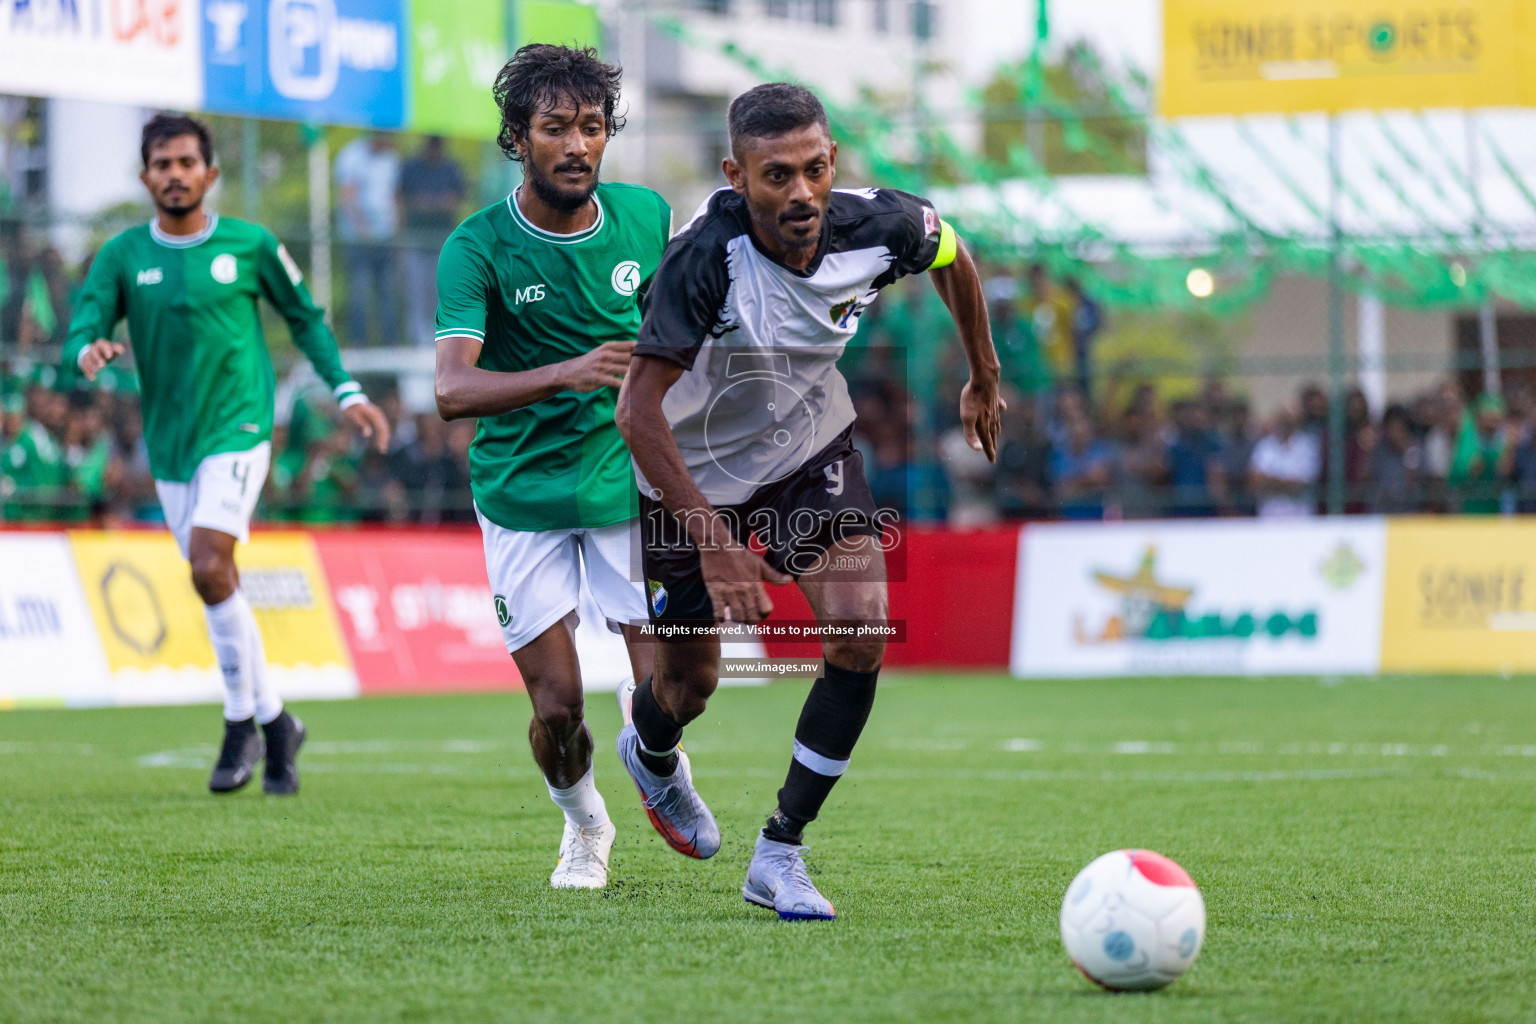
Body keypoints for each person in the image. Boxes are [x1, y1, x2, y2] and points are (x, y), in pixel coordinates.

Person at [616, 82, 1004, 920]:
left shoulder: (880, 225)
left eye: (815, 169)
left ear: (835, 163)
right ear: (737, 175)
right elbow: (636, 412)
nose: (800, 193)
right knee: (686, 688)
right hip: (691, 475)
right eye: (776, 175)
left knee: (861, 627)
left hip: (804, 450)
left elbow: (956, 256)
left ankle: (780, 850)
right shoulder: (701, 263)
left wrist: (984, 370)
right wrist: (715, 541)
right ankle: (649, 749)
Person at [64, 113, 391, 796]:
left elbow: (305, 317)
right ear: (146, 175)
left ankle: (240, 718)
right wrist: (87, 349)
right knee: (214, 579)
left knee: (210, 563)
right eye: (162, 163)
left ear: (209, 173)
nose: (175, 174)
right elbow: (83, 326)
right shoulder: (123, 255)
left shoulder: (250, 245)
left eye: (187, 162)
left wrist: (348, 388)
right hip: (173, 445)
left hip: (241, 428)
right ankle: (277, 723)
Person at [433, 45, 668, 890]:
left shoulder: (646, 218)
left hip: (620, 483)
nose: (577, 144)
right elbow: (453, 389)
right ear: (518, 139)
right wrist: (567, 371)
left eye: (593, 126)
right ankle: (584, 825)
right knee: (558, 707)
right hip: (521, 493)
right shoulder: (478, 246)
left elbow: (678, 341)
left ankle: (658, 765)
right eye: (556, 127)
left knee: (668, 689)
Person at [334, 132, 402, 346]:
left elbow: (395, 196)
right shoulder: (351, 156)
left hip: (385, 238)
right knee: (359, 292)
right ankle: (358, 342)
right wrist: (362, 229)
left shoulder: (392, 158)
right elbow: (348, 196)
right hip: (358, 239)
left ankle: (389, 345)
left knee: (388, 293)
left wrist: (396, 230)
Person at [399, 136, 466, 347]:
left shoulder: (450, 169)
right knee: (416, 291)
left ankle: (442, 338)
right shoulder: (411, 168)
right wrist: (429, 203)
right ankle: (418, 340)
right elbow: (402, 199)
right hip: (416, 237)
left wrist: (431, 203)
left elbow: (456, 199)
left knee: (441, 290)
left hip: (443, 240)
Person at [1248, 403, 1320, 517]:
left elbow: (1301, 484)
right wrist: (1285, 482)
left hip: (1299, 517)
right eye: (1282, 418)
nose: (1284, 422)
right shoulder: (1264, 446)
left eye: (1288, 419)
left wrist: (1270, 481)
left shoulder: (1307, 446)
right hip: (1269, 516)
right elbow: (1255, 481)